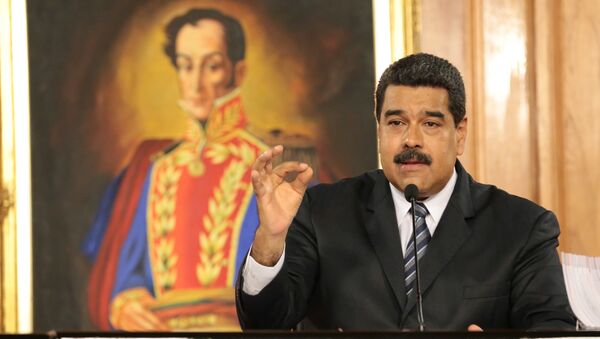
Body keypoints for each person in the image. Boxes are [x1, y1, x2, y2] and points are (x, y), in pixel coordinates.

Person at [235, 53, 576, 330]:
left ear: (460, 133)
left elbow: (552, 329)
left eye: (430, 123)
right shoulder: (321, 210)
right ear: (379, 130)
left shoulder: (522, 228)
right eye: (396, 123)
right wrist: (269, 238)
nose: (411, 139)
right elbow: (266, 321)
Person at [83, 8, 267, 331]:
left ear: (238, 72)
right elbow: (129, 274)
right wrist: (125, 303)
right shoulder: (156, 169)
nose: (195, 83)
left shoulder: (270, 163)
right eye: (185, 66)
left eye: (211, 66)